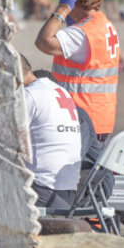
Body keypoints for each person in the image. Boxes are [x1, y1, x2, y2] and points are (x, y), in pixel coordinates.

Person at [34, 0, 120, 139]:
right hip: (100, 117)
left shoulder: (80, 34)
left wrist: (62, 10)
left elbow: (43, 42)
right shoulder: (104, 24)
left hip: (82, 120)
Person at [20, 55, 82, 210]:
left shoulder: (29, 95)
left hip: (42, 189)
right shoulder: (61, 91)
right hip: (68, 190)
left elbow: (7, 139)